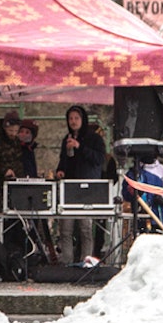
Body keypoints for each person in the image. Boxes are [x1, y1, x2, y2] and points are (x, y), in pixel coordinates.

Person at [54, 105, 107, 264]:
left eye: (76, 118)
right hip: (69, 188)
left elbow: (99, 159)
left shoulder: (94, 138)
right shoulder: (67, 138)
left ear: (83, 120)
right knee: (66, 229)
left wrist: (80, 147)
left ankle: (86, 263)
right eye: (70, 119)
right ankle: (67, 263)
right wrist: (60, 170)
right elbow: (63, 160)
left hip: (87, 188)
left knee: (85, 228)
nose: (73, 121)